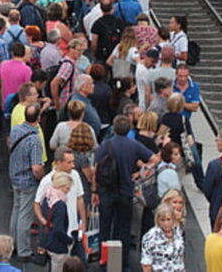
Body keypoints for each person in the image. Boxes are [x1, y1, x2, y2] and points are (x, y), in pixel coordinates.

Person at [93, 115, 155, 269]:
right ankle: (122, 263)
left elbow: (96, 169)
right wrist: (140, 172)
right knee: (123, 228)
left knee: (105, 227)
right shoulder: (134, 145)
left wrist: (95, 190)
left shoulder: (105, 145)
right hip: (126, 191)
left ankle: (104, 261)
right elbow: (154, 159)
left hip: (106, 190)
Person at [35, 148, 86, 262]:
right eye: (69, 162)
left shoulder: (75, 175)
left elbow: (80, 198)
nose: (73, 165)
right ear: (58, 162)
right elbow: (37, 202)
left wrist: (83, 222)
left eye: (73, 161)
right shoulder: (47, 180)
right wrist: (43, 221)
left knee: (80, 263)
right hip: (58, 233)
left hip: (74, 228)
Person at [9, 104, 46, 261]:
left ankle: (12, 244)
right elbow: (36, 168)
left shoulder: (16, 130)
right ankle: (24, 250)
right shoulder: (34, 139)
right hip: (27, 181)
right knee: (25, 215)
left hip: (14, 176)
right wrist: (42, 177)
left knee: (16, 211)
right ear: (38, 118)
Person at [140, 203, 184, 272]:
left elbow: (180, 257)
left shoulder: (177, 231)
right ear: (158, 220)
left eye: (168, 219)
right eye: (163, 220)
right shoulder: (150, 236)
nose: (166, 223)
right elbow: (146, 264)